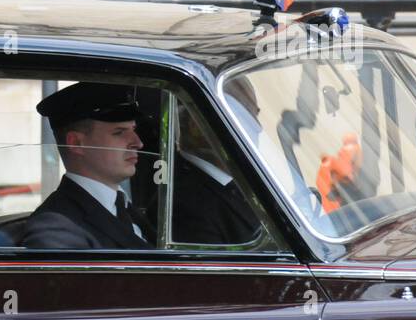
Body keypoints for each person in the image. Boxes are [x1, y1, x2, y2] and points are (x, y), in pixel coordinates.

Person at [21, 82, 152, 250]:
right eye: (119, 132)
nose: (138, 143)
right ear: (76, 143)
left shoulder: (123, 207)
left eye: (133, 130)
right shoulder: (57, 229)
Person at [172, 105, 261, 244]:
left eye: (255, 115)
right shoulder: (184, 203)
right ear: (196, 126)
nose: (258, 127)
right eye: (244, 116)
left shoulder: (250, 179)